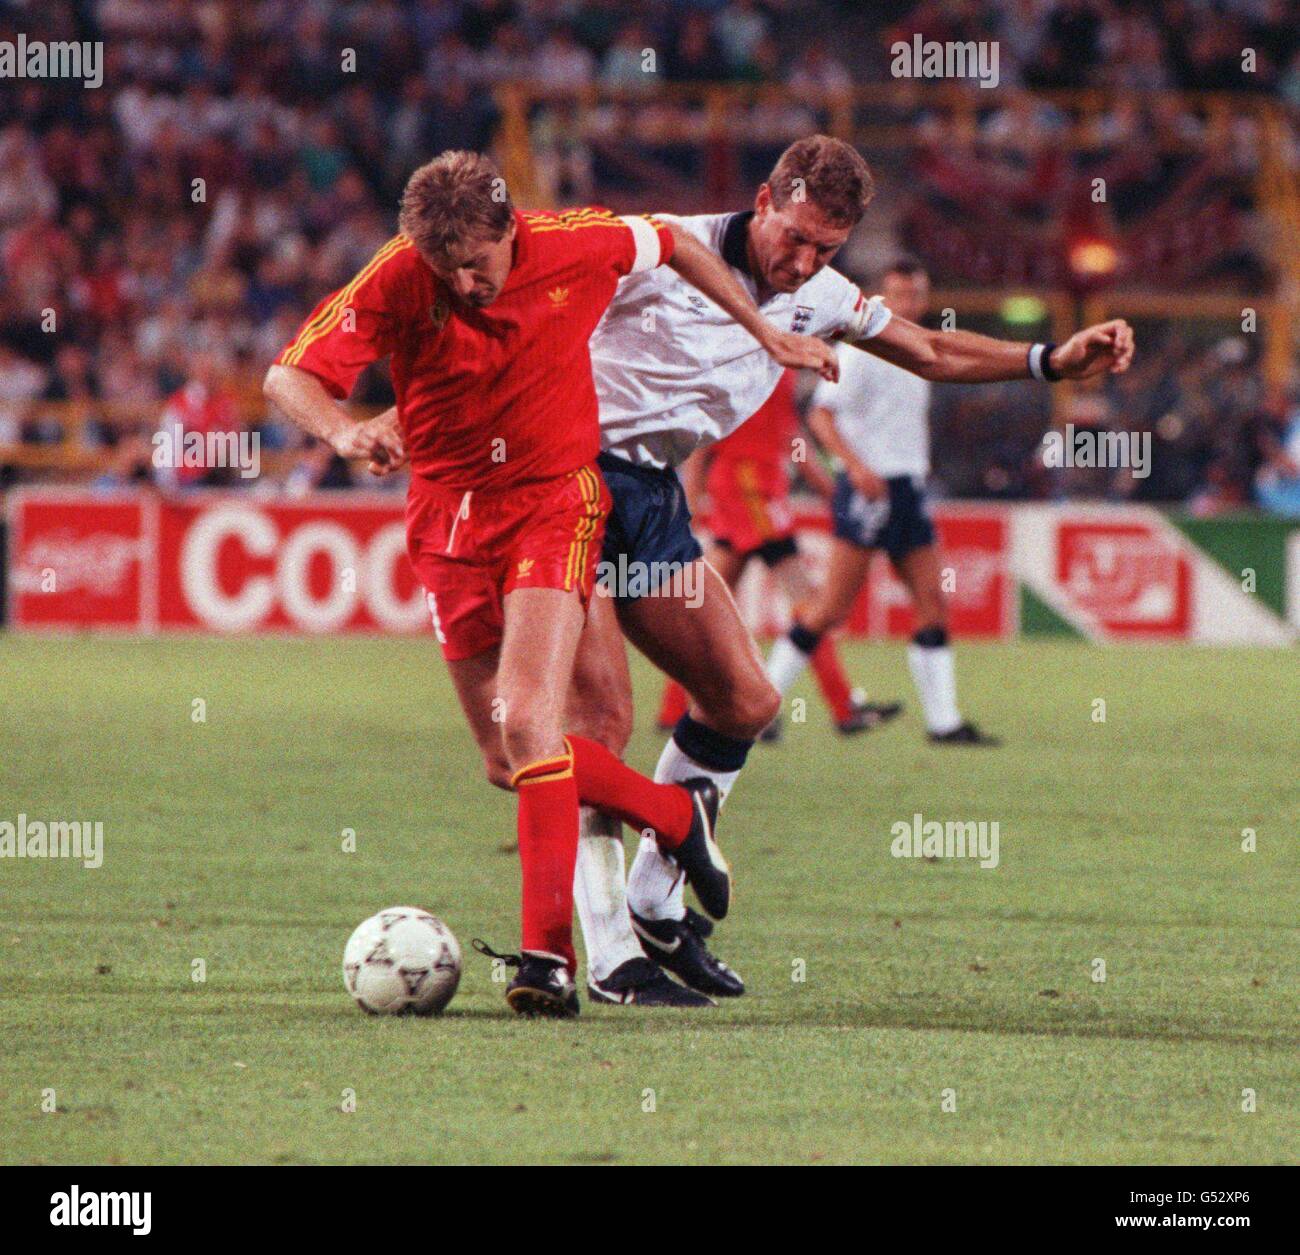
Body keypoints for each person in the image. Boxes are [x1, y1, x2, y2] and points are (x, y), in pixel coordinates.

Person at [556, 136, 1134, 1001]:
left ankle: (653, 900)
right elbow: (541, 304)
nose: (803, 261)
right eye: (793, 237)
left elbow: (929, 350)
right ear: (762, 198)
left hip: (652, 501)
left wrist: (1048, 360)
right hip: (569, 485)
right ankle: (607, 960)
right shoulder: (658, 246)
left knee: (747, 700)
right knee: (601, 719)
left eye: (826, 248)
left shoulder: (819, 294)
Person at [264, 149, 836, 1017]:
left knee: (536, 721)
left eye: (478, 265)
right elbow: (288, 374)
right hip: (447, 517)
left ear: (509, 231)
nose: (463, 284)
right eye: (444, 269)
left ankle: (550, 962)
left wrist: (763, 332)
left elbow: (673, 245)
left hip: (554, 505)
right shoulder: (397, 274)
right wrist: (341, 430)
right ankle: (676, 818)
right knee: (508, 759)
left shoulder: (574, 242)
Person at [766, 257, 999, 745]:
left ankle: (944, 723)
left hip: (908, 489)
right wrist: (854, 467)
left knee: (933, 603)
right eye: (899, 294)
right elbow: (821, 417)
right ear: (883, 295)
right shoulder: (864, 348)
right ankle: (760, 705)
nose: (908, 303)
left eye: (916, 294)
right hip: (869, 490)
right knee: (830, 608)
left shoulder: (918, 347)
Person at [655, 369, 897, 738]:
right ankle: (841, 707)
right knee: (811, 605)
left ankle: (674, 711)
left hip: (753, 486)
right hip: (749, 488)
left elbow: (789, 435)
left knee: (706, 605)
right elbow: (708, 431)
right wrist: (687, 500)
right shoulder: (746, 360)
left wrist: (827, 488)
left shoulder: (774, 361)